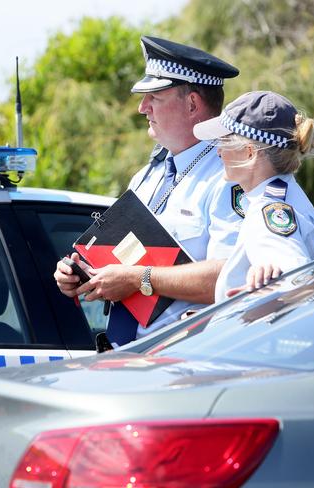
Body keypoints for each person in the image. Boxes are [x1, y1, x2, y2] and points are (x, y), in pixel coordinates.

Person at [55, 36, 244, 345]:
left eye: (154, 96)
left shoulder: (228, 175)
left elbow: (230, 276)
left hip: (182, 359)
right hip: (128, 355)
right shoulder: (147, 175)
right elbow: (121, 255)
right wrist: (80, 273)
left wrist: (137, 279)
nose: (143, 108)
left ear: (192, 103)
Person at [192, 90, 314, 301]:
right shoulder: (285, 193)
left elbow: (305, 286)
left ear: (249, 153)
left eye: (225, 141)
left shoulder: (267, 211)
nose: (219, 151)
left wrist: (263, 302)